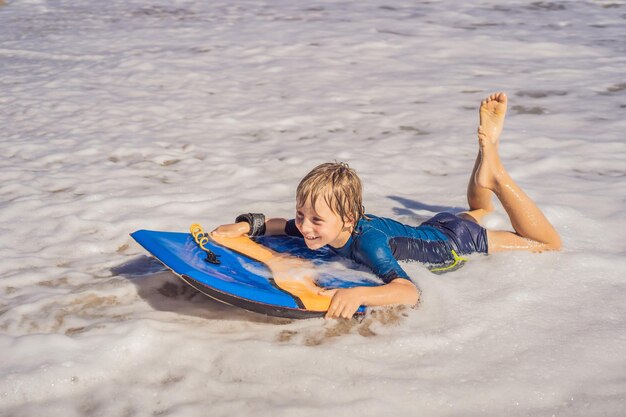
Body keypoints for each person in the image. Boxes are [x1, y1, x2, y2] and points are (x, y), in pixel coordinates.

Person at [212, 93, 561, 319]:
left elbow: (408, 292)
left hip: (456, 243)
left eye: (316, 219)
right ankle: (486, 159)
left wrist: (361, 292)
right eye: (302, 214)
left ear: (348, 218)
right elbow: (277, 225)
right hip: (436, 227)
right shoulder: (323, 227)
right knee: (478, 206)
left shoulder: (368, 243)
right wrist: (245, 225)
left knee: (547, 245)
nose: (303, 227)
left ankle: (497, 173)